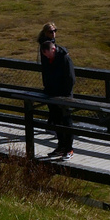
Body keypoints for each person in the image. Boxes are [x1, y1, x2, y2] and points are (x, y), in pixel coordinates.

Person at [37, 23, 76, 159]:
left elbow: (70, 78)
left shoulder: (64, 58)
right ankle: (60, 146)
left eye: (48, 55)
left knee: (66, 121)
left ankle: (69, 149)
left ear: (53, 50)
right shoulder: (49, 57)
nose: (47, 58)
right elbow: (47, 74)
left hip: (64, 95)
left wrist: (65, 95)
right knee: (57, 121)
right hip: (52, 94)